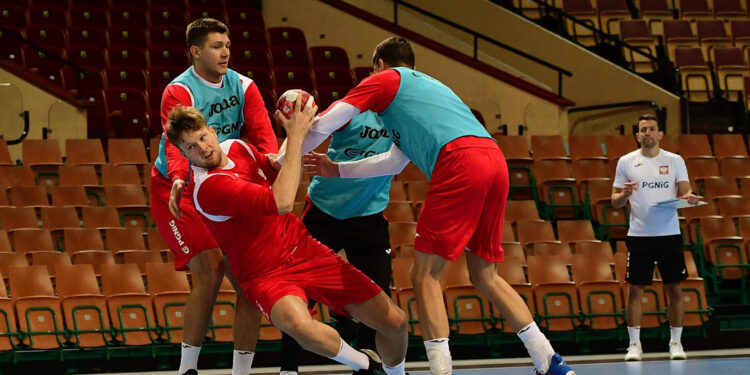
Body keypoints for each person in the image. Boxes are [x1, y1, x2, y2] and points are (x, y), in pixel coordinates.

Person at [295, 36, 575, 375]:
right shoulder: (428, 91)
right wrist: (335, 168)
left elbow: (326, 121)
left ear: (379, 66)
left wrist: (284, 155)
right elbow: (394, 163)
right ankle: (548, 359)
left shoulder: (385, 79)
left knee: (424, 275)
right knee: (485, 275)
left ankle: (441, 371)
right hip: (494, 160)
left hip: (458, 161)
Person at [165, 99, 409, 375]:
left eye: (201, 137)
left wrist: (302, 133)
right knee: (299, 325)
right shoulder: (208, 188)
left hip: (304, 250)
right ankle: (366, 364)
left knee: (396, 322)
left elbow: (277, 169)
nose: (202, 148)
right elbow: (280, 201)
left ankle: (396, 373)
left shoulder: (237, 147)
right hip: (264, 275)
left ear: (212, 130)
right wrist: (295, 135)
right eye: (191, 147)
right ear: (184, 155)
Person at [149, 18, 277, 375]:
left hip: (222, 185)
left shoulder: (244, 86)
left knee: (250, 280)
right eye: (216, 46)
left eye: (227, 45)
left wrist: (269, 182)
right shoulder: (179, 91)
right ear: (195, 51)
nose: (225, 52)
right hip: (177, 189)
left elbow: (265, 143)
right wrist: (177, 178)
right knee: (210, 267)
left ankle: (241, 372)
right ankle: (187, 369)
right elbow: (177, 146)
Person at [279, 110, 395, 375]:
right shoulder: (352, 109)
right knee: (297, 288)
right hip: (323, 211)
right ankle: (288, 368)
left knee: (378, 295)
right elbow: (312, 131)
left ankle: (369, 364)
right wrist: (284, 155)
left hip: (369, 216)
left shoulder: (405, 119)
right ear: (377, 68)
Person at [612, 114, 699, 361]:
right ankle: (634, 345)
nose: (647, 133)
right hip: (639, 236)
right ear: (637, 135)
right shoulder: (626, 162)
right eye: (642, 130)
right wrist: (625, 194)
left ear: (660, 134)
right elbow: (615, 201)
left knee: (674, 289)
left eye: (651, 129)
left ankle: (676, 343)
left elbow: (685, 191)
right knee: (635, 291)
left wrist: (690, 198)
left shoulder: (675, 161)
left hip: (669, 234)